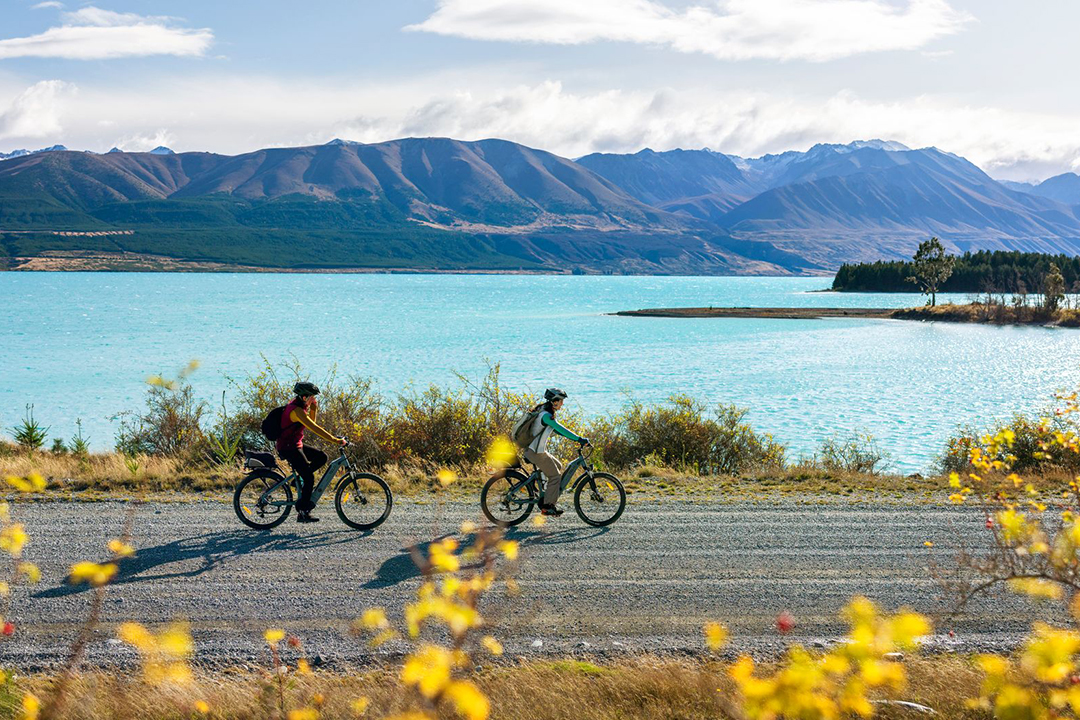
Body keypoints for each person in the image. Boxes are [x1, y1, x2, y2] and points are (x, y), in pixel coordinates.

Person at [276, 381, 347, 523]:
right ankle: (303, 511)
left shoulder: (300, 407)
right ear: (303, 397)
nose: (314, 399)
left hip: (295, 444)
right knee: (309, 478)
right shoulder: (296, 411)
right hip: (288, 447)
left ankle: (299, 482)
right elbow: (315, 428)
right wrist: (335, 440)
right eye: (312, 397)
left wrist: (314, 408)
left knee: (321, 457)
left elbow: (310, 423)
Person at [522, 388, 589, 516]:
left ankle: (545, 494)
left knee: (558, 466)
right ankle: (547, 506)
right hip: (535, 452)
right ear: (554, 401)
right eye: (561, 401)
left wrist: (572, 438)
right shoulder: (546, 416)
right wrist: (579, 439)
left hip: (535, 450)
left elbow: (556, 430)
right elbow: (559, 428)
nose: (562, 404)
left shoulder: (543, 411)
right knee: (555, 477)